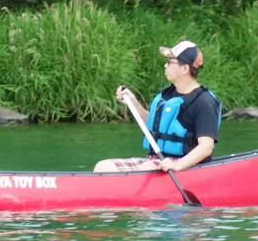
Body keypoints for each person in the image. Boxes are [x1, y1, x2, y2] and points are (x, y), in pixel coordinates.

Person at [93, 40, 221, 173]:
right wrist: (133, 102)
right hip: (155, 160)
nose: (165, 66)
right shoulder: (167, 94)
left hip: (185, 165)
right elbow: (151, 125)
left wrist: (177, 165)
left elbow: (206, 147)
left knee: (145, 168)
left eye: (170, 62)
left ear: (184, 69)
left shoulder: (204, 102)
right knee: (103, 166)